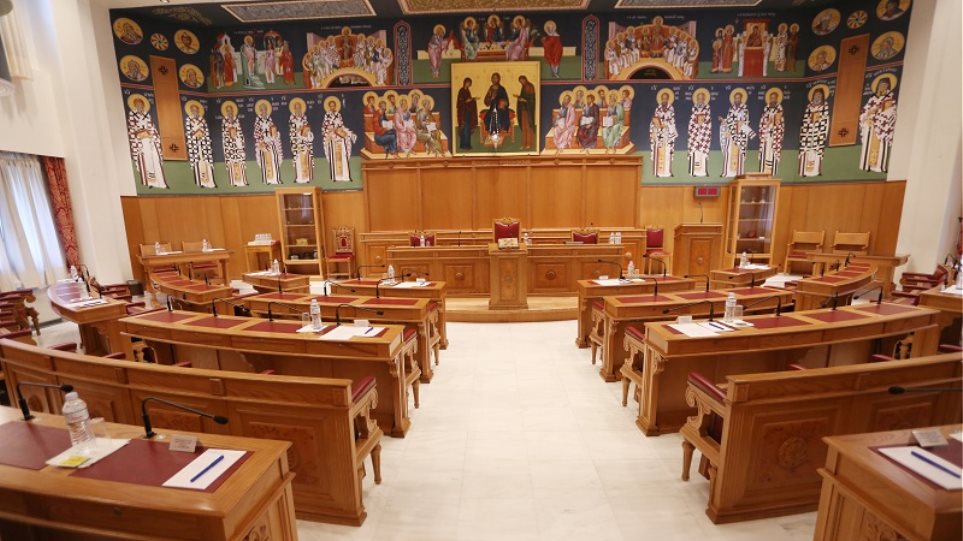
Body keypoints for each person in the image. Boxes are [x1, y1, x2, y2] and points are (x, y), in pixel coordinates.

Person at [858, 77, 897, 173]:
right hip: (870, 126)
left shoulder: (890, 98)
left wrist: (880, 115)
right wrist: (870, 112)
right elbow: (865, 111)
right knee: (868, 145)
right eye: (881, 85)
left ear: (888, 87)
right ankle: (867, 165)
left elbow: (892, 111)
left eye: (885, 85)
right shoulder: (872, 98)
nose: (883, 87)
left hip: (882, 126)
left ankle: (879, 166)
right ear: (878, 86)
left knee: (881, 145)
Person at [126, 96, 167, 189]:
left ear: (143, 105)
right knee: (145, 160)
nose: (139, 106)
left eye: (141, 105)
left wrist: (152, 134)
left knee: (153, 159)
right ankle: (149, 181)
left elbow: (152, 127)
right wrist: (139, 132)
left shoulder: (147, 115)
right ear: (135, 106)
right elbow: (132, 127)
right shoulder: (132, 114)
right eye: (137, 105)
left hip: (149, 140)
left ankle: (157, 181)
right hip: (140, 142)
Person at [719, 90, 755, 177]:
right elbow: (729, 120)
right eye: (735, 98)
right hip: (731, 136)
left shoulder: (744, 110)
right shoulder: (731, 109)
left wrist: (737, 124)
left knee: (739, 153)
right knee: (728, 152)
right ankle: (727, 172)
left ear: (741, 99)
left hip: (740, 136)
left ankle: (739, 173)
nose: (737, 100)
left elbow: (744, 122)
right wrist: (724, 121)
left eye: (738, 98)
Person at [320, 98, 356, 181]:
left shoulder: (338, 114)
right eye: (331, 106)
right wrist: (331, 130)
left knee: (343, 154)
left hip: (340, 137)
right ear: (329, 107)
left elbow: (341, 125)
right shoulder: (327, 115)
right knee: (334, 156)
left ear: (335, 106)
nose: (332, 107)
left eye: (333, 106)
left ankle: (345, 176)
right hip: (332, 138)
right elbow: (325, 126)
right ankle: (335, 177)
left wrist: (341, 130)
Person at [798, 87, 830, 177]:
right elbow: (805, 118)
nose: (817, 97)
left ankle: (816, 171)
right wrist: (810, 119)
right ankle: (804, 171)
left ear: (822, 96)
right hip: (808, 131)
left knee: (817, 150)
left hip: (818, 131)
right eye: (816, 95)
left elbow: (826, 117)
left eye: (819, 95)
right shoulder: (809, 106)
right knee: (806, 150)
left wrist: (819, 118)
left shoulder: (824, 105)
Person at [185, 103, 215, 188]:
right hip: (195, 145)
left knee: (206, 162)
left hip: (204, 144)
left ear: (198, 111)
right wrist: (195, 134)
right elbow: (188, 132)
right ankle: (200, 182)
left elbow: (206, 131)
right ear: (191, 111)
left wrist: (203, 134)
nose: (195, 112)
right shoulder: (188, 120)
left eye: (196, 110)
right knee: (197, 162)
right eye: (193, 110)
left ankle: (210, 182)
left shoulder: (202, 120)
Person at [649, 90, 677, 177]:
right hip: (659, 132)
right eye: (663, 98)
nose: (664, 100)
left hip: (667, 133)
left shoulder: (671, 108)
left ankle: (668, 171)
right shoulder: (658, 108)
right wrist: (655, 126)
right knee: (657, 150)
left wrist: (667, 125)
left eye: (666, 99)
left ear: (668, 99)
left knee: (668, 151)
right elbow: (654, 119)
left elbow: (672, 120)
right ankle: (657, 171)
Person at [253, 102, 282, 184]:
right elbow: (256, 133)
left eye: (265, 109)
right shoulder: (258, 122)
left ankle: (276, 179)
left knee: (274, 159)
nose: (264, 111)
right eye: (262, 109)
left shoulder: (270, 121)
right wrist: (261, 142)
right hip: (262, 144)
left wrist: (274, 136)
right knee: (264, 161)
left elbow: (274, 131)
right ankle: (266, 179)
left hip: (271, 143)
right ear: (260, 111)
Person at [757, 90, 785, 174]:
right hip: (766, 136)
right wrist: (767, 123)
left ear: (777, 99)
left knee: (772, 152)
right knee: (765, 152)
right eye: (771, 98)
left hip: (774, 136)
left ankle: (772, 171)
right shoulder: (765, 111)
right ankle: (763, 170)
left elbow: (781, 126)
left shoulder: (779, 111)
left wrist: (776, 122)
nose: (772, 100)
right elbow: (761, 124)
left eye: (774, 98)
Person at [221, 102, 247, 186]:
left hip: (237, 144)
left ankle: (242, 181)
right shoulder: (224, 121)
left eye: (230, 110)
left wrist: (237, 137)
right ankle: (233, 181)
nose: (229, 113)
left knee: (240, 161)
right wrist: (229, 137)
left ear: (233, 111)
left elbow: (239, 131)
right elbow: (224, 133)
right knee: (231, 163)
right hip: (229, 146)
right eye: (228, 111)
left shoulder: (236, 120)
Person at [687, 90, 711, 177]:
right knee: (695, 152)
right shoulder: (694, 108)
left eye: (702, 98)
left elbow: (708, 121)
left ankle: (703, 171)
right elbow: (691, 121)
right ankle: (694, 171)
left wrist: (703, 125)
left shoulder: (707, 108)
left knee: (703, 152)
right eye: (699, 98)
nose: (700, 100)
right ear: (697, 99)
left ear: (704, 99)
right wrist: (696, 126)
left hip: (704, 133)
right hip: (695, 133)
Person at [289, 100, 314, 183]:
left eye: (299, 108)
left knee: (306, 159)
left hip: (305, 142)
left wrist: (305, 131)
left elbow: (307, 129)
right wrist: (298, 130)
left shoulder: (304, 119)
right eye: (296, 108)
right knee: (298, 160)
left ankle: (307, 177)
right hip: (297, 143)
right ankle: (298, 177)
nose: (298, 110)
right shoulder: (292, 120)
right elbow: (292, 131)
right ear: (294, 109)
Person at [483, 73, 511, 139]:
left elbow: (507, 102)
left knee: (499, 116)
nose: (494, 79)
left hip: (501, 109)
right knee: (488, 117)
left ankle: (500, 134)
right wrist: (491, 98)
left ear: (498, 79)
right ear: (491, 79)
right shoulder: (490, 89)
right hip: (493, 108)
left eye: (496, 78)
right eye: (493, 78)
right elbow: (486, 103)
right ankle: (492, 135)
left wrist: (503, 103)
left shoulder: (502, 89)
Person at [457, 78, 478, 150]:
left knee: (467, 128)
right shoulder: (461, 90)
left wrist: (473, 99)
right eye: (467, 82)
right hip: (463, 113)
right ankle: (464, 145)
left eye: (469, 83)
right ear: (464, 82)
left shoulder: (468, 91)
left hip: (468, 112)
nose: (468, 84)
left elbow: (469, 101)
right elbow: (460, 103)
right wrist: (467, 100)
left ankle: (467, 144)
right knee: (465, 128)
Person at [516, 75, 536, 150]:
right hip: (523, 109)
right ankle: (523, 144)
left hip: (528, 110)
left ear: (525, 79)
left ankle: (529, 144)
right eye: (520, 81)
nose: (522, 82)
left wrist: (523, 100)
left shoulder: (530, 86)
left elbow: (532, 100)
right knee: (524, 127)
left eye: (522, 80)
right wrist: (519, 98)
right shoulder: (524, 87)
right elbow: (524, 97)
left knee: (528, 126)